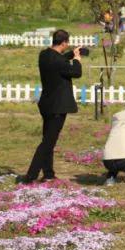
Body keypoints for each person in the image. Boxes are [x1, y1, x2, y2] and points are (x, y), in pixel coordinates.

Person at [24, 29, 83, 183]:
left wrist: (71, 54)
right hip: (58, 106)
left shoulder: (44, 55)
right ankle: (30, 176)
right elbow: (76, 73)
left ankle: (48, 173)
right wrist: (76, 59)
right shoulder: (59, 62)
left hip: (47, 103)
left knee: (47, 139)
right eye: (67, 43)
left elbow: (59, 59)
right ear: (64, 42)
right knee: (47, 143)